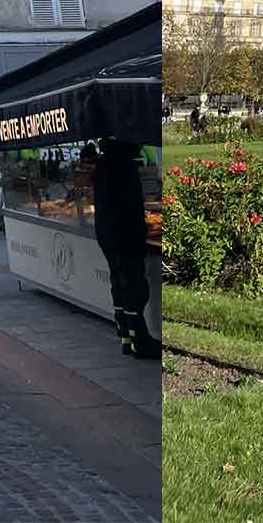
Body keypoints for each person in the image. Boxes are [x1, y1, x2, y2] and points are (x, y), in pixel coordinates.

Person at [91, 137, 160, 359]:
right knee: (135, 288)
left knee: (119, 283)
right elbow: (131, 206)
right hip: (125, 235)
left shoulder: (103, 164)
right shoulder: (124, 166)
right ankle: (139, 340)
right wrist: (141, 233)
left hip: (108, 235)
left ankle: (125, 336)